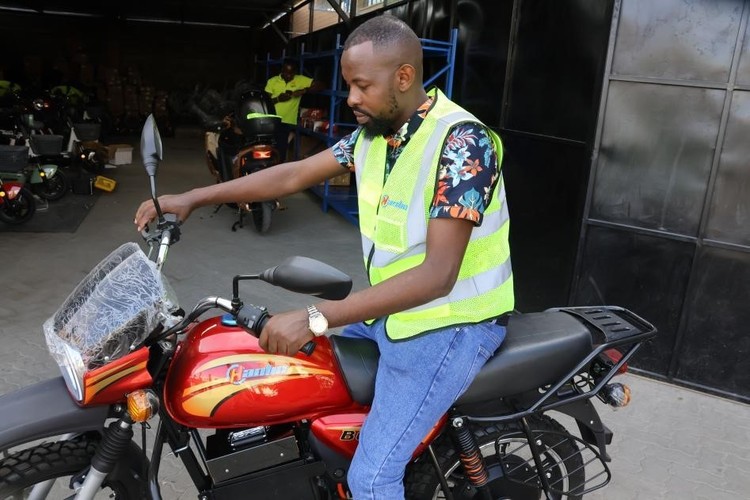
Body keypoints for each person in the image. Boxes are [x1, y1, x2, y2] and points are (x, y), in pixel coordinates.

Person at [135, 14, 513, 500]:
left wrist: (316, 317)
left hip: (453, 325)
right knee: (302, 392)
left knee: (372, 479)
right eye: (348, 85)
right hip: (397, 312)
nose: (351, 97)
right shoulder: (377, 134)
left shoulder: (461, 143)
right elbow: (291, 175)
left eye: (361, 85)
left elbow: (439, 275)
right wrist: (193, 197)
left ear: (403, 77)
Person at [264, 60, 324, 161]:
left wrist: (304, 90)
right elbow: (265, 102)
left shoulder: (300, 80)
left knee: (281, 150)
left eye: (291, 73)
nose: (288, 75)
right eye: (286, 72)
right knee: (268, 148)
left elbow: (321, 85)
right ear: (281, 71)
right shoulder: (272, 81)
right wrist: (278, 99)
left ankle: (278, 171)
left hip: (287, 122)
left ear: (295, 72)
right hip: (271, 120)